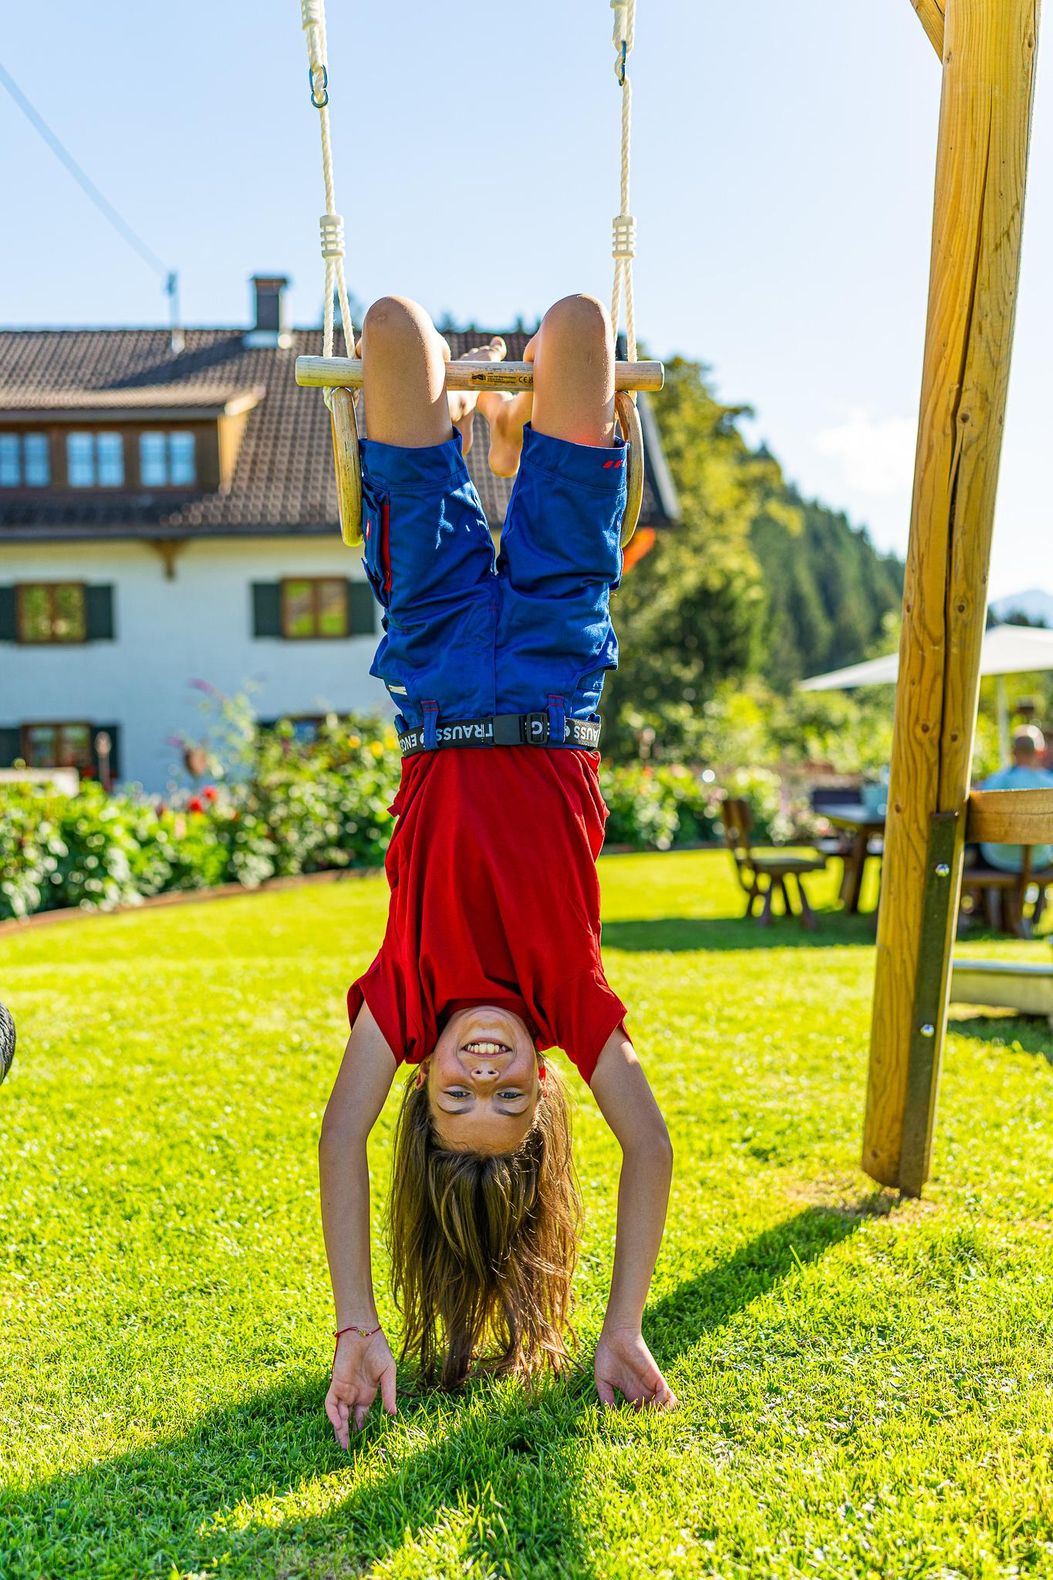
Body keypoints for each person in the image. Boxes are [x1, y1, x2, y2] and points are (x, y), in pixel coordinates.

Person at [318, 294, 676, 1447]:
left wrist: (356, 1325)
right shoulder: (570, 1006)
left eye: (456, 1098)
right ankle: (508, 418)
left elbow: (336, 1140)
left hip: (430, 655)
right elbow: (653, 1145)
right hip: (556, 655)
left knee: (392, 329)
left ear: (416, 1091)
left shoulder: (407, 1001)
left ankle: (473, 413)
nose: (481, 1071)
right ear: (547, 1094)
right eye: (509, 1098)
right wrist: (621, 1322)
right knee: (577, 330)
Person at [974, 726, 1053, 872]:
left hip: (998, 858)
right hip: (1039, 859)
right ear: (1041, 752)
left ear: (1013, 752)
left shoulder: (995, 781)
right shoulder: (1050, 782)